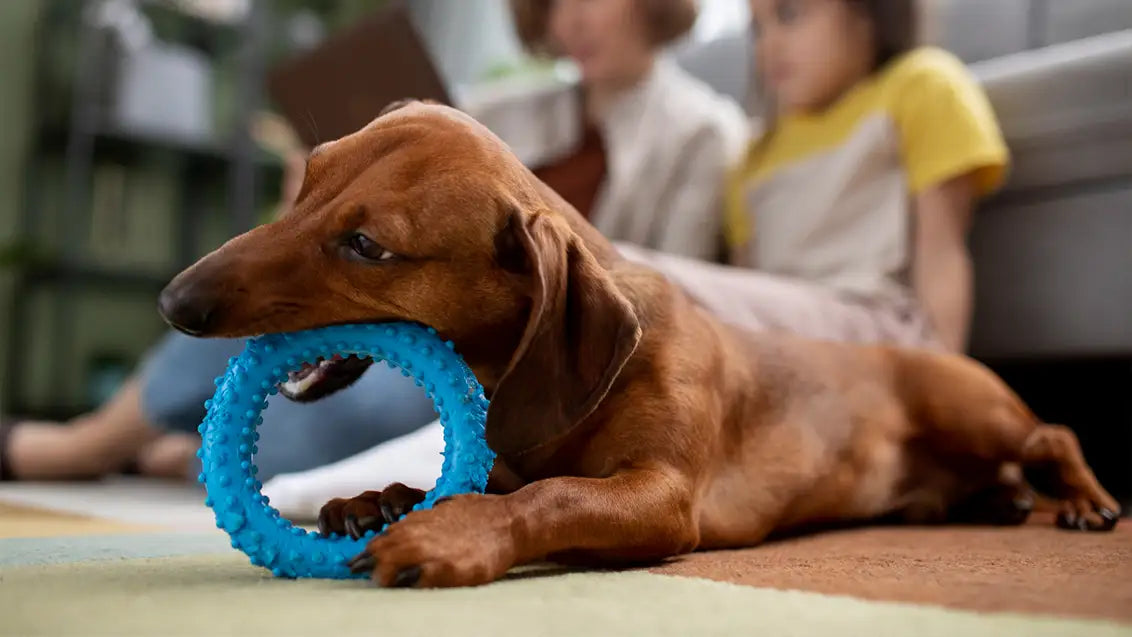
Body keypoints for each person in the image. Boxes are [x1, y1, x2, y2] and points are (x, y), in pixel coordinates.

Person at [258, 0, 1012, 520]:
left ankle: (448, 458)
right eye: (757, 26)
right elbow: (747, 277)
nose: (771, 44)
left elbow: (943, 252)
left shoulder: (923, 86)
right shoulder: (764, 147)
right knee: (639, 285)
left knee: (635, 281)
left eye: (790, 14)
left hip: (872, 328)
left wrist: (941, 376)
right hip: (783, 327)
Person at [0, 0, 749, 482]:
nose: (574, 17)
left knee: (335, 430)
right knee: (254, 306)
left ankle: (179, 454)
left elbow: (656, 287)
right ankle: (87, 444)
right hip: (387, 306)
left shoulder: (703, 133)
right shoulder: (497, 109)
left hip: (513, 360)